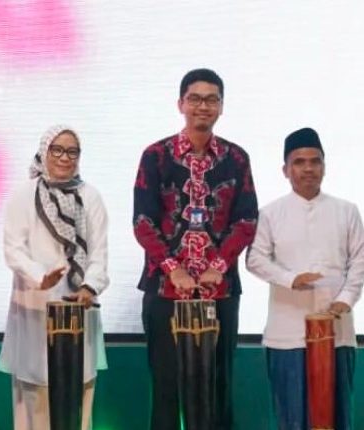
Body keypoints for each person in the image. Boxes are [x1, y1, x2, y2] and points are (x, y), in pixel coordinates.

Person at [133, 68, 258, 429]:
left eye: (211, 99)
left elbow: (246, 219)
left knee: (218, 388)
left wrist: (218, 265)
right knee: (166, 389)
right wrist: (174, 268)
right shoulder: (156, 156)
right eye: (195, 99)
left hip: (220, 291)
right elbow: (143, 221)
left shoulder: (236, 158)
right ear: (181, 104)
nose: (203, 106)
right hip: (165, 290)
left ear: (221, 106)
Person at [246, 127, 364, 430]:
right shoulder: (269, 213)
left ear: (324, 166)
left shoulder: (347, 211)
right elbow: (255, 259)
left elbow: (359, 261)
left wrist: (345, 300)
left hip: (337, 332)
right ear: (285, 170)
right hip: (287, 334)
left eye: (315, 161)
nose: (308, 168)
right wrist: (291, 279)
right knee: (292, 417)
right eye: (299, 162)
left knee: (336, 417)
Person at [0, 125, 109, 430]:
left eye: (72, 151)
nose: (64, 157)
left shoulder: (90, 196)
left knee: (77, 396)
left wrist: (89, 287)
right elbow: (13, 249)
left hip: (79, 308)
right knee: (32, 398)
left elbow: (99, 252)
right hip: (34, 306)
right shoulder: (24, 194)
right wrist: (40, 278)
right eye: (57, 150)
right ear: (43, 152)